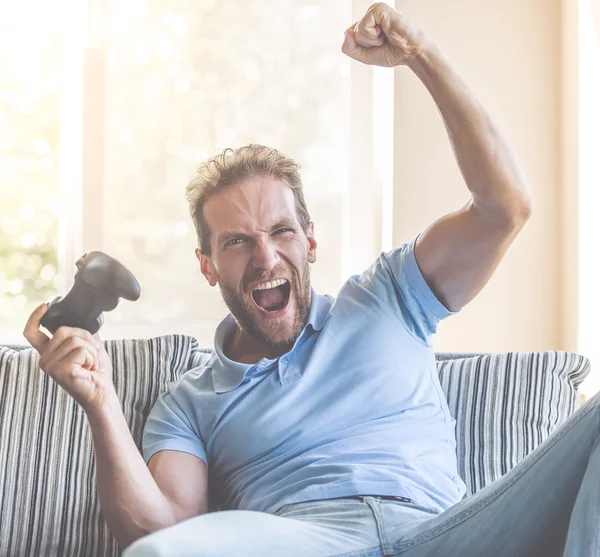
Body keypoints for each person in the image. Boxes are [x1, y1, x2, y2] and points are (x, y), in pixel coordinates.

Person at [22, 4, 600, 556]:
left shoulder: (389, 296)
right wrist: (99, 402)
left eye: (282, 232)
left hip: (448, 534)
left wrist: (420, 53)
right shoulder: (188, 404)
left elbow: (505, 207)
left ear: (312, 240)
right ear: (207, 265)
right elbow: (159, 534)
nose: (266, 258)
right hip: (305, 541)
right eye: (237, 241)